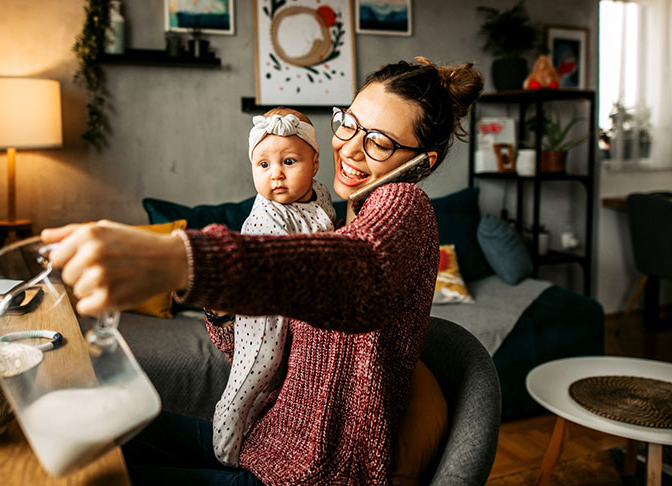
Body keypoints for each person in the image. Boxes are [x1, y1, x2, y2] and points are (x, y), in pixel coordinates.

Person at [42, 57, 484, 485]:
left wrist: (182, 261)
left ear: (422, 162)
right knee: (88, 428)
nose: (348, 148)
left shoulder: (405, 208)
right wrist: (220, 307)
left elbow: (361, 276)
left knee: (93, 478)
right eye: (349, 123)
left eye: (379, 142)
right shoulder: (327, 216)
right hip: (262, 440)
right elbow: (258, 349)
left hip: (315, 475)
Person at [214, 107, 335, 467]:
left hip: (297, 310)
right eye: (263, 165)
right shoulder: (268, 215)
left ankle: (255, 442)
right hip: (264, 311)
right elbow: (287, 268)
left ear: (314, 165)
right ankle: (226, 450)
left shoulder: (322, 196)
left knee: (276, 384)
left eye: (289, 161)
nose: (276, 175)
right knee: (256, 370)